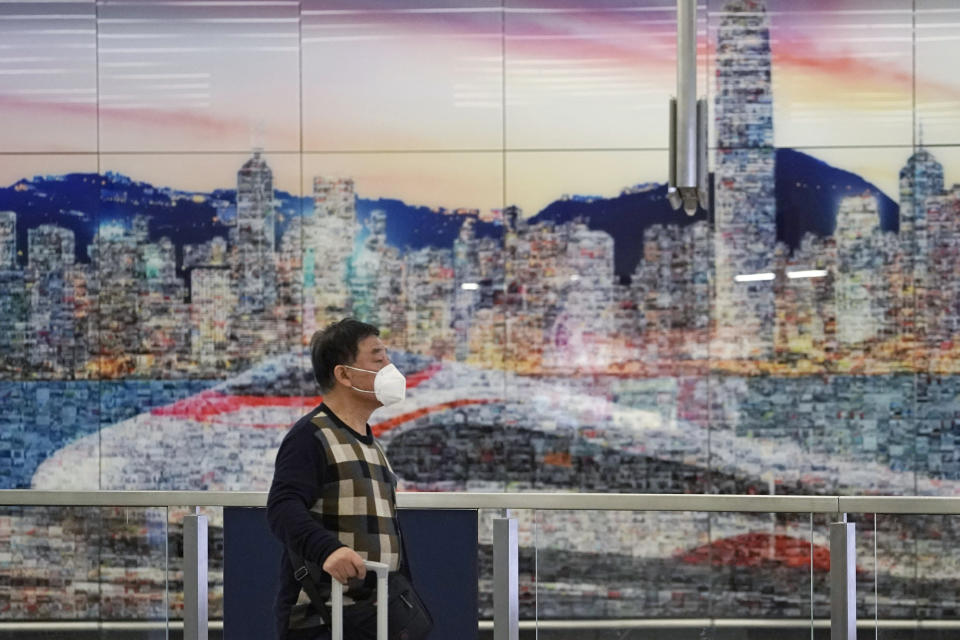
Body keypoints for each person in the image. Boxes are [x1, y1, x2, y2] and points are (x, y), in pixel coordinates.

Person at [267, 318, 409, 640]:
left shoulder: (372, 444)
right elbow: (282, 508)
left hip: (374, 619)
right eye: (378, 358)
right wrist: (328, 550)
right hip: (325, 620)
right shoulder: (310, 436)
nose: (390, 367)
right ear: (343, 374)